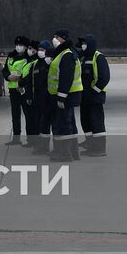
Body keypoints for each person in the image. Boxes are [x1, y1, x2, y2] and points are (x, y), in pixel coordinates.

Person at [47, 28, 83, 162]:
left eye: (57, 37)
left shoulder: (66, 54)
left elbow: (66, 77)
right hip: (67, 95)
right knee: (69, 123)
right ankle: (73, 152)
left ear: (63, 38)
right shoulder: (64, 53)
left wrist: (61, 96)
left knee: (64, 124)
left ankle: (65, 154)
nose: (54, 39)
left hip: (66, 96)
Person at [78, 35, 110, 156]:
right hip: (84, 97)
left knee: (96, 122)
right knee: (85, 122)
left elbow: (104, 77)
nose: (83, 46)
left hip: (95, 97)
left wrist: (94, 91)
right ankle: (90, 146)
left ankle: (100, 149)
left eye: (84, 43)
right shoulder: (83, 58)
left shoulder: (99, 57)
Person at [1, 36, 31, 145]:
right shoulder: (11, 56)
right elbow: (4, 70)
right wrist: (8, 77)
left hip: (23, 89)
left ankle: (30, 139)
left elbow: (29, 71)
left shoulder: (29, 57)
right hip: (13, 89)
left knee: (28, 114)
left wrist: (20, 79)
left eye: (21, 45)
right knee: (15, 114)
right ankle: (16, 138)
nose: (19, 47)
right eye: (17, 45)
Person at [27, 40, 53, 154]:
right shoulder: (35, 64)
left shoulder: (50, 64)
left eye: (43, 50)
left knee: (46, 123)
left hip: (48, 99)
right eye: (40, 50)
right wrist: (29, 96)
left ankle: (45, 146)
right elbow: (29, 81)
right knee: (39, 123)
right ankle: (41, 146)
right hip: (37, 99)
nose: (40, 52)